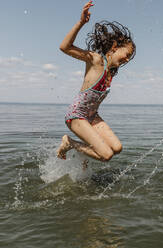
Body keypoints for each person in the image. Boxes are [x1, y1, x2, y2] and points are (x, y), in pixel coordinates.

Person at [57, 1, 136, 162]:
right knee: (106, 155)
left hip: (92, 116)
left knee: (117, 148)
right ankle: (70, 143)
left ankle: (82, 154)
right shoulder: (96, 60)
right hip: (76, 116)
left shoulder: (111, 72)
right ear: (114, 47)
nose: (127, 59)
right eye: (126, 54)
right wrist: (81, 23)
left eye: (129, 57)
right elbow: (65, 47)